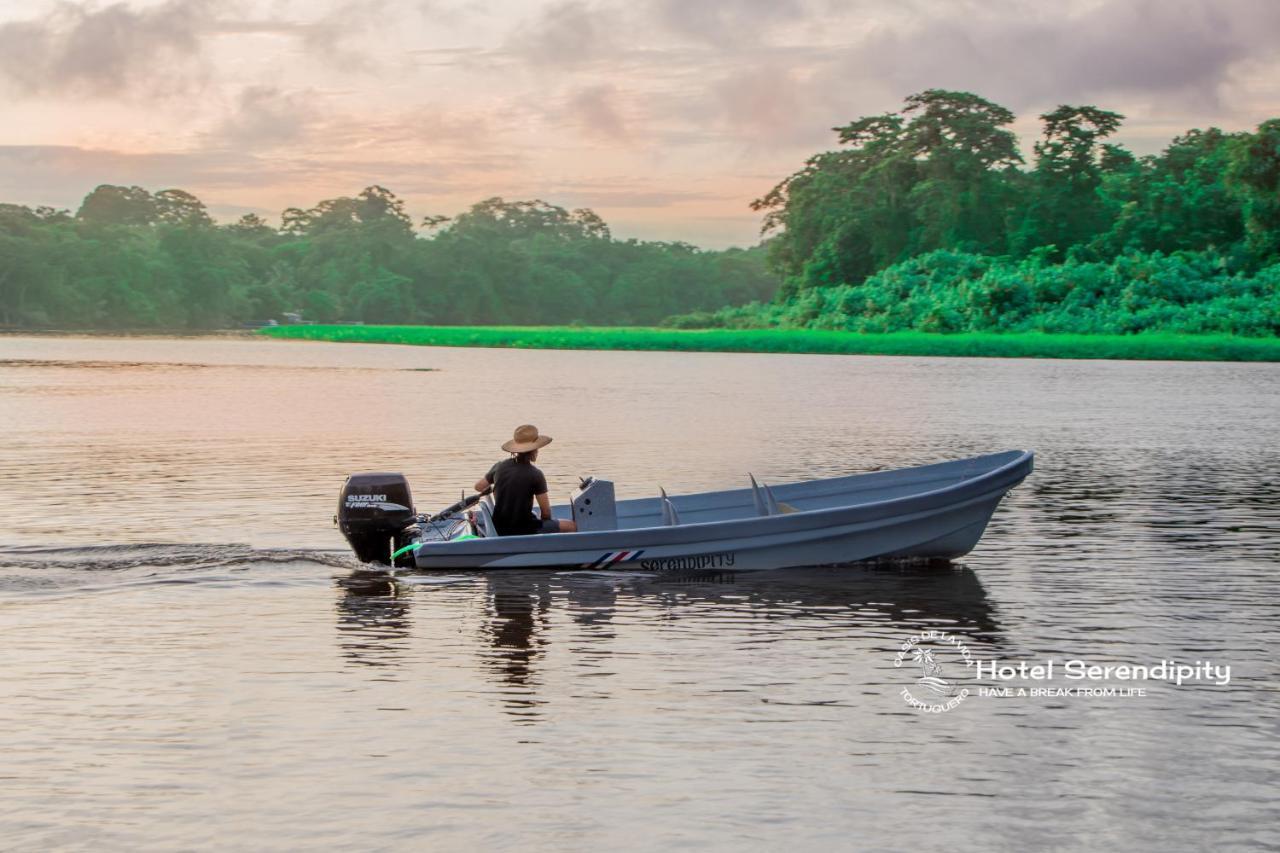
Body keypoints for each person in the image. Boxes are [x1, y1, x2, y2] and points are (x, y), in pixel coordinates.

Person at [474, 424, 577, 536]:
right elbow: (546, 513)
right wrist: (545, 524)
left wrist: (498, 484)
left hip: (498, 527)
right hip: (523, 529)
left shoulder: (499, 466)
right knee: (572, 526)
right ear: (535, 450)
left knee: (534, 515)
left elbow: (478, 487)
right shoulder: (536, 474)